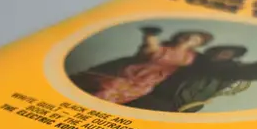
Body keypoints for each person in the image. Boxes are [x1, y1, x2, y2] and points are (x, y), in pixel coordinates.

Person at [125, 46, 257, 113]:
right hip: (142, 94)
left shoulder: (228, 70)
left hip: (172, 106)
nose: (221, 55)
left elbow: (254, 72)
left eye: (227, 54)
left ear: (232, 58)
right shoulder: (194, 58)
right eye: (219, 51)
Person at [69, 26, 213, 105]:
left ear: (197, 45)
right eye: (189, 35)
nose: (189, 39)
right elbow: (147, 53)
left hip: (142, 81)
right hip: (126, 70)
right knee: (88, 83)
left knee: (108, 91)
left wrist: (151, 38)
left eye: (195, 40)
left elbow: (157, 55)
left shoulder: (189, 56)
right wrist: (150, 40)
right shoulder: (165, 45)